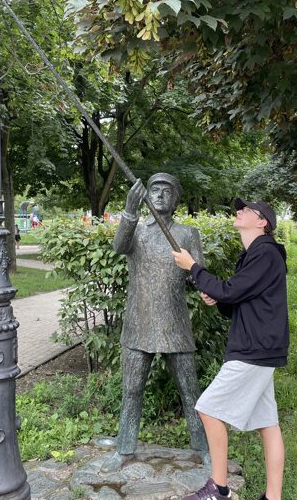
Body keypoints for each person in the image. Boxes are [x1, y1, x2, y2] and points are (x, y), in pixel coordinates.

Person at [172, 199, 289, 500]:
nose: (239, 211)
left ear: (262, 222)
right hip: (262, 347)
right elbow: (236, 300)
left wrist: (193, 268)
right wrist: (218, 298)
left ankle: (218, 489)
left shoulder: (265, 253)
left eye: (246, 210)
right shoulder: (253, 255)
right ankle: (273, 497)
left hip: (254, 349)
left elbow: (232, 290)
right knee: (267, 424)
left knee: (208, 408)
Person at [101, 174, 209, 473]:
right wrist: (129, 210)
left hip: (175, 324)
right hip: (139, 322)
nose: (160, 195)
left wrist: (200, 280)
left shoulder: (187, 234)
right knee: (132, 390)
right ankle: (124, 449)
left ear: (176, 200)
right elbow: (119, 247)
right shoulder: (136, 230)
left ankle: (203, 447)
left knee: (190, 390)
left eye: (166, 191)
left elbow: (198, 273)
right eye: (154, 190)